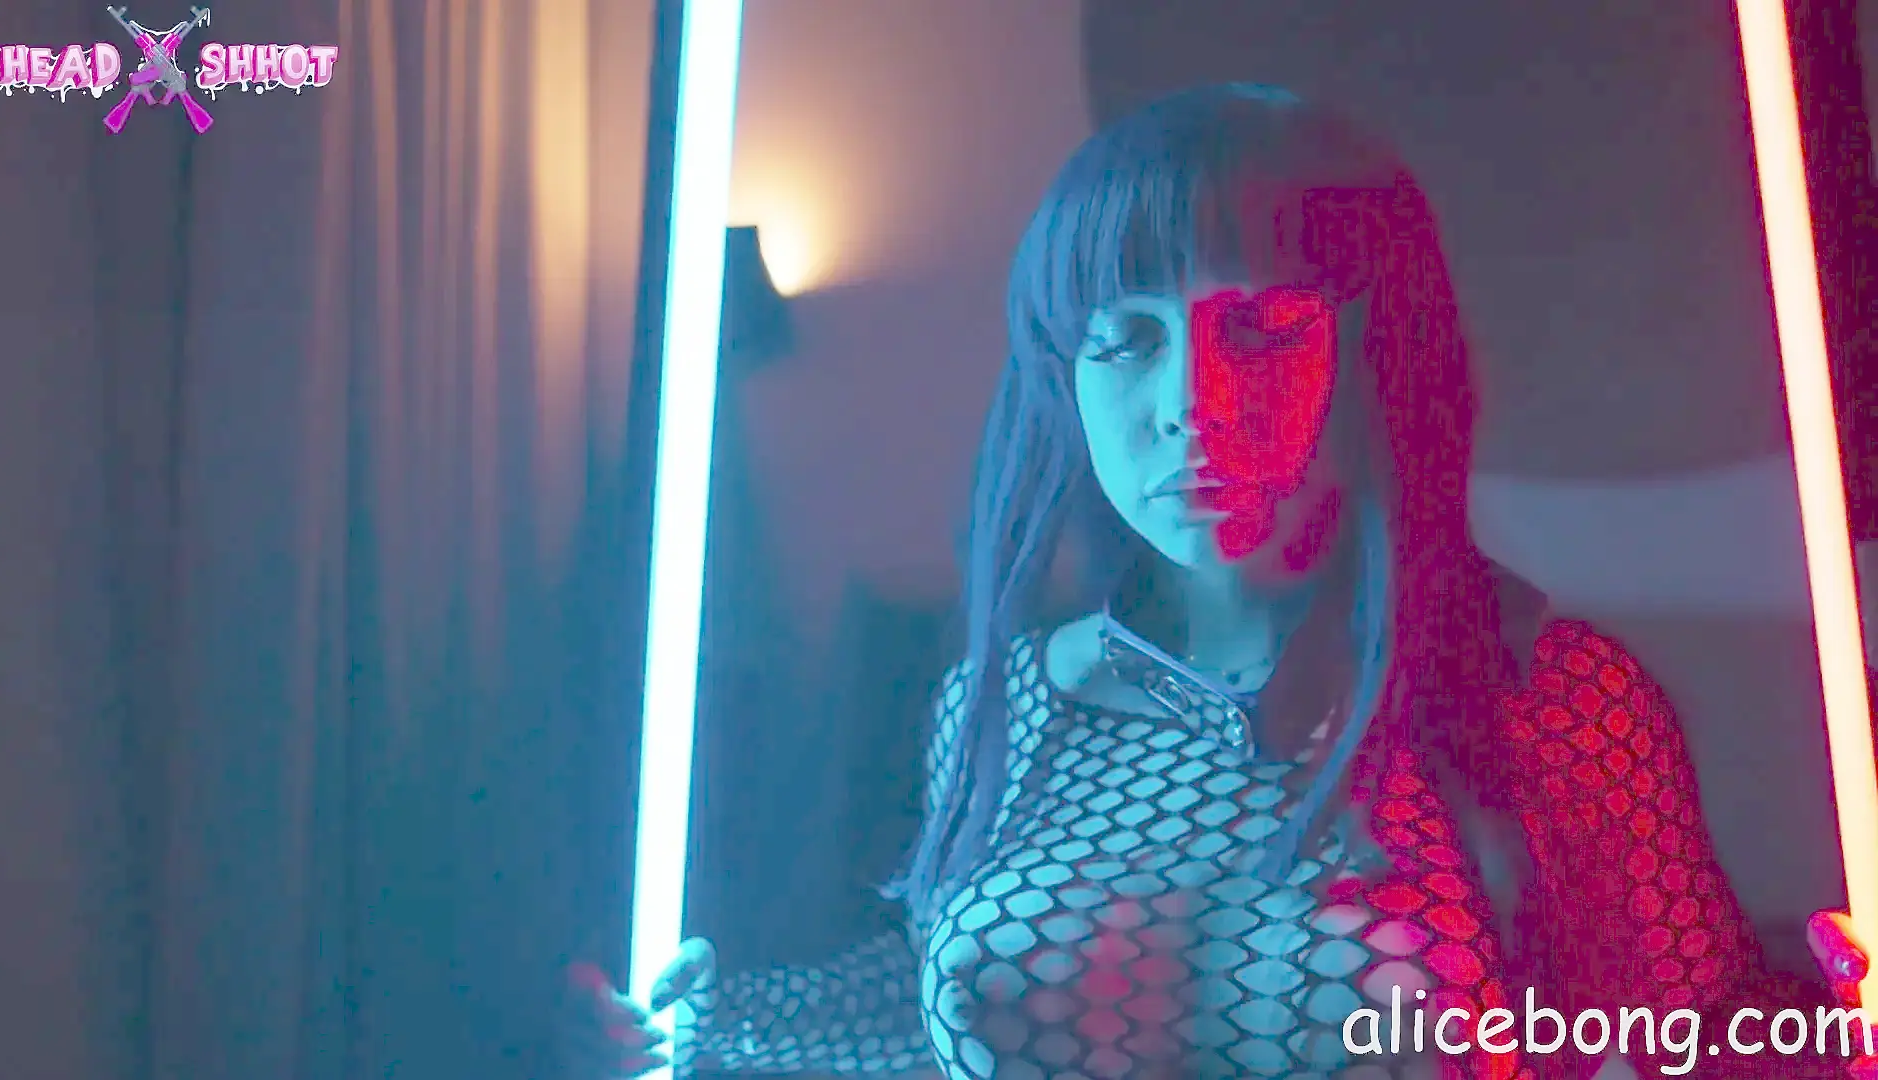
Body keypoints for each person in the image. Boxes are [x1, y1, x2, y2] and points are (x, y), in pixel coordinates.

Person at [569, 84, 1868, 1079]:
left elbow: (1702, 1038)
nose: (1191, 404)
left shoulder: (1548, 700)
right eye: (1125, 340)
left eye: (1262, 327)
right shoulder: (1004, 704)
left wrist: (1840, 1020)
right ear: (1062, 377)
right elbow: (947, 1005)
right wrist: (716, 1027)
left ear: (1372, 350)